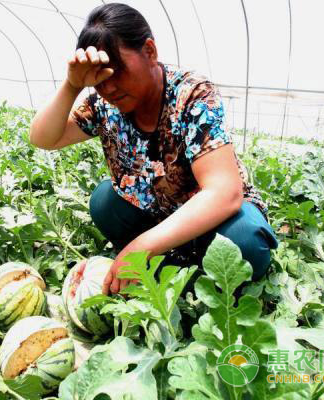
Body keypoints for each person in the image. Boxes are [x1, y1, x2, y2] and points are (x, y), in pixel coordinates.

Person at [29, 3, 278, 296]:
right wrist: (73, 85)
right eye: (99, 79)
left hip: (213, 217)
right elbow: (43, 137)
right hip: (157, 212)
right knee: (104, 202)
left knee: (244, 243)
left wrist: (142, 245)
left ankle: (176, 258)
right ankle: (173, 257)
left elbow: (225, 193)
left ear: (149, 51)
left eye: (116, 71)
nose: (108, 88)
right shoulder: (104, 105)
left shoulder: (191, 94)